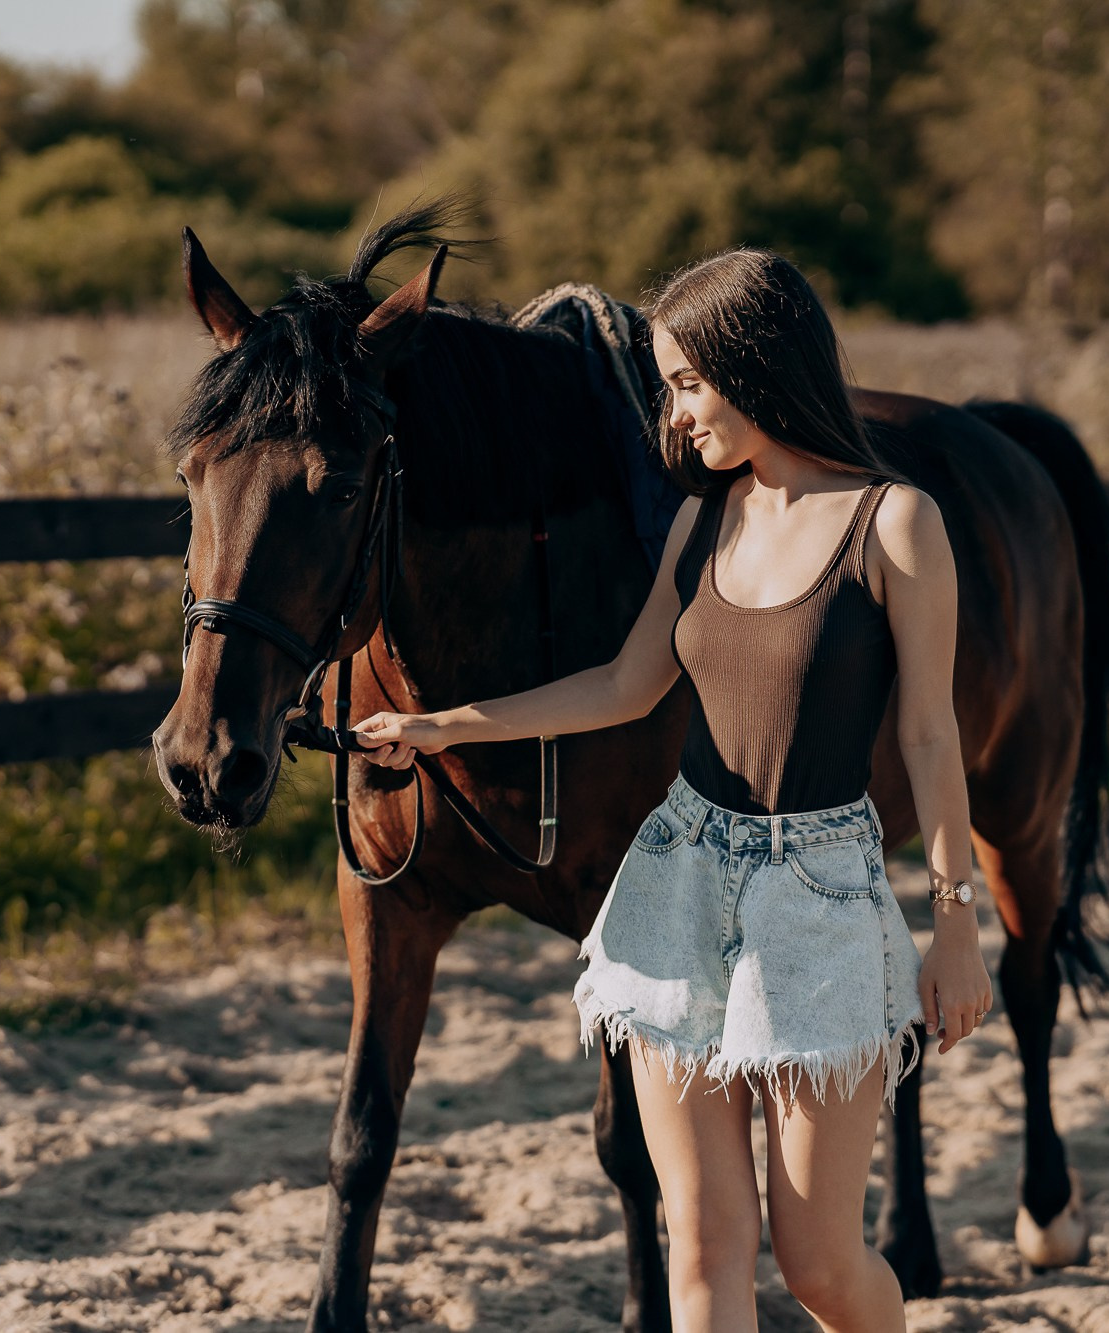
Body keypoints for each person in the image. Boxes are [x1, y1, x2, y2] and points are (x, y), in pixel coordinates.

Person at [350, 248, 990, 1330]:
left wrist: (956, 923)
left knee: (821, 1265)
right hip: (677, 883)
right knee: (697, 1247)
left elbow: (930, 736)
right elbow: (623, 684)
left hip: (822, 902)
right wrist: (437, 726)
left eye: (689, 383)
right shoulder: (704, 519)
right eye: (667, 386)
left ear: (757, 364)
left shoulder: (894, 523)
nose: (677, 415)